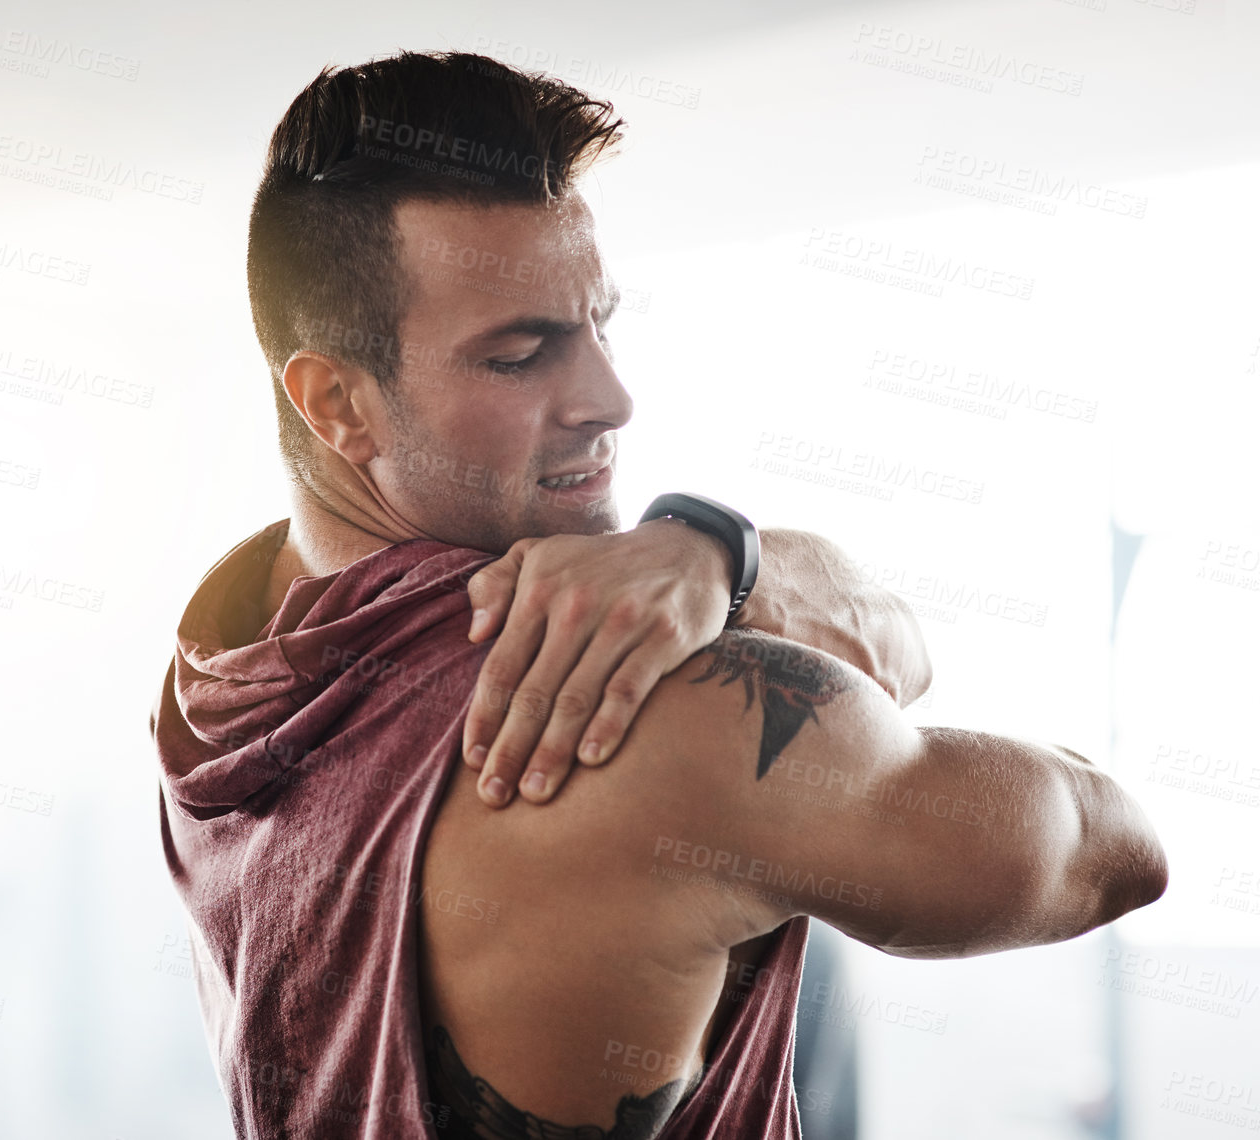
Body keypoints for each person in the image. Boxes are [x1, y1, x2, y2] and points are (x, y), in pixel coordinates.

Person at [153, 50, 1167, 1139]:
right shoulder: (650, 717)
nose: (609, 397)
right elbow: (1110, 851)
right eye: (521, 355)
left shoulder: (225, 663)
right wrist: (739, 570)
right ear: (338, 403)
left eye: (599, 324)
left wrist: (717, 554)